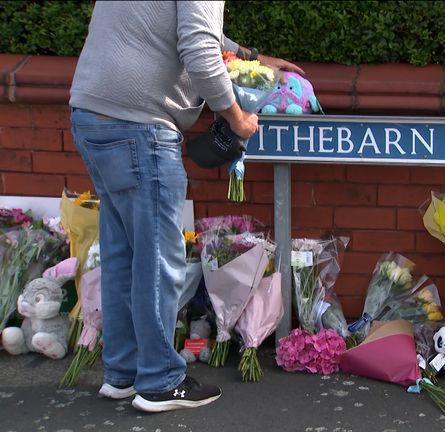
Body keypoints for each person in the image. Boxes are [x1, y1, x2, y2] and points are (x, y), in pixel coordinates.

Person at [68, 1, 303, 413]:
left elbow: (182, 30)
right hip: (141, 126)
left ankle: (123, 375)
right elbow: (197, 48)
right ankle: (159, 382)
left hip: (92, 115)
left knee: (124, 254)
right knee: (159, 260)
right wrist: (234, 116)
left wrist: (250, 57)